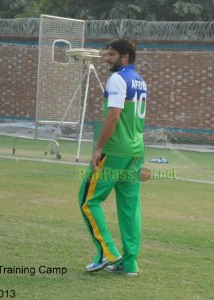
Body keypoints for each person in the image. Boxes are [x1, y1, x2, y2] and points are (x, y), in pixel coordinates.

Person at [78, 38, 147, 276]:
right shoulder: (139, 80)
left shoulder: (117, 79)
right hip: (136, 151)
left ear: (124, 57)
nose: (106, 59)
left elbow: (113, 116)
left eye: (110, 55)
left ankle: (108, 253)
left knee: (88, 200)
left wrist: (98, 148)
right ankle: (129, 264)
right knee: (130, 208)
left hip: (115, 151)